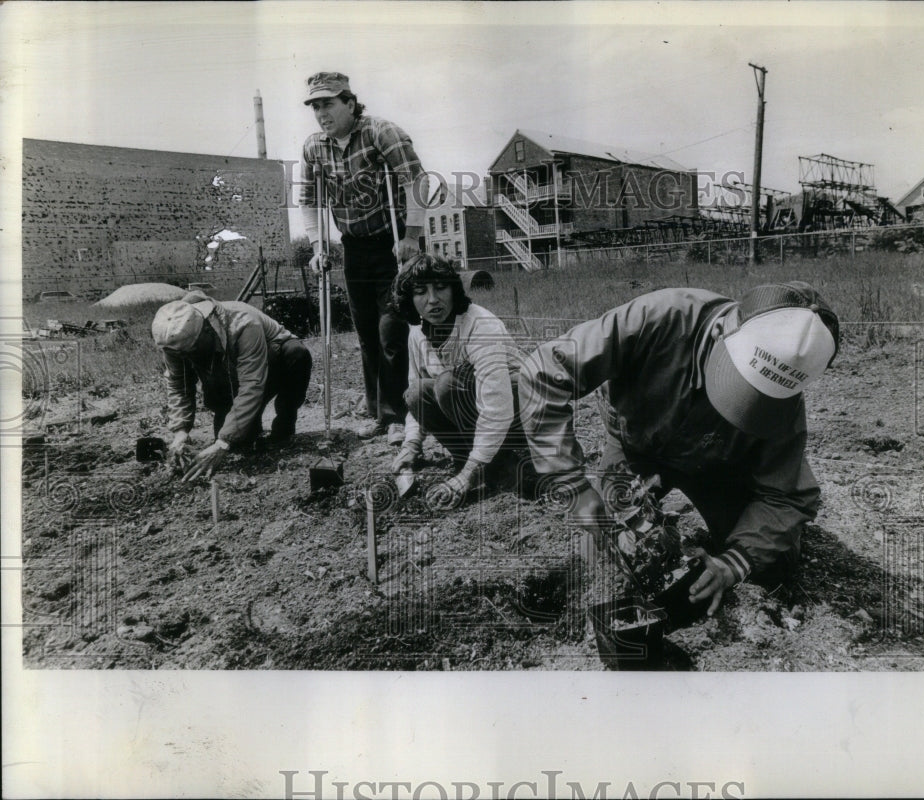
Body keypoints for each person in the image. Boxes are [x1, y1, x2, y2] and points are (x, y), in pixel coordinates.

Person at [518, 282, 840, 616]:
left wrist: (733, 564)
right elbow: (544, 373)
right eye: (735, 382)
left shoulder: (784, 400)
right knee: (605, 549)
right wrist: (572, 484)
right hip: (638, 447)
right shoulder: (656, 318)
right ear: (721, 330)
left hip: (718, 467)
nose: (736, 407)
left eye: (754, 403)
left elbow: (787, 496)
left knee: (772, 565)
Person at [298, 71, 428, 446]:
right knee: (367, 335)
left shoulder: (380, 132)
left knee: (392, 332)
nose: (322, 112)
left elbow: (416, 181)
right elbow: (308, 201)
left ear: (350, 103)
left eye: (329, 103)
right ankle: (376, 414)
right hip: (354, 248)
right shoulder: (314, 148)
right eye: (315, 106)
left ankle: (398, 416)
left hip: (393, 244)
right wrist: (318, 245)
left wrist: (412, 236)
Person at [391, 255, 527, 509]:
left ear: (455, 290)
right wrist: (411, 445)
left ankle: (497, 462)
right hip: (475, 414)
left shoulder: (480, 324)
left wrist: (469, 473)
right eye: (421, 292)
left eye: (441, 288)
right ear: (409, 299)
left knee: (447, 384)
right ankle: (474, 460)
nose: (433, 300)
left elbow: (497, 406)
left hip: (519, 410)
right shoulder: (417, 333)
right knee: (417, 392)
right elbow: (416, 401)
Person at [151, 290, 312, 481]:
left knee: (296, 354)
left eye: (191, 351)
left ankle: (283, 428)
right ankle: (246, 426)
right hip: (228, 371)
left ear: (206, 330)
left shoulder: (243, 324)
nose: (185, 357)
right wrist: (180, 431)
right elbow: (179, 384)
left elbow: (252, 384)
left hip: (272, 361)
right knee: (239, 439)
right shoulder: (174, 338)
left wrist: (223, 442)